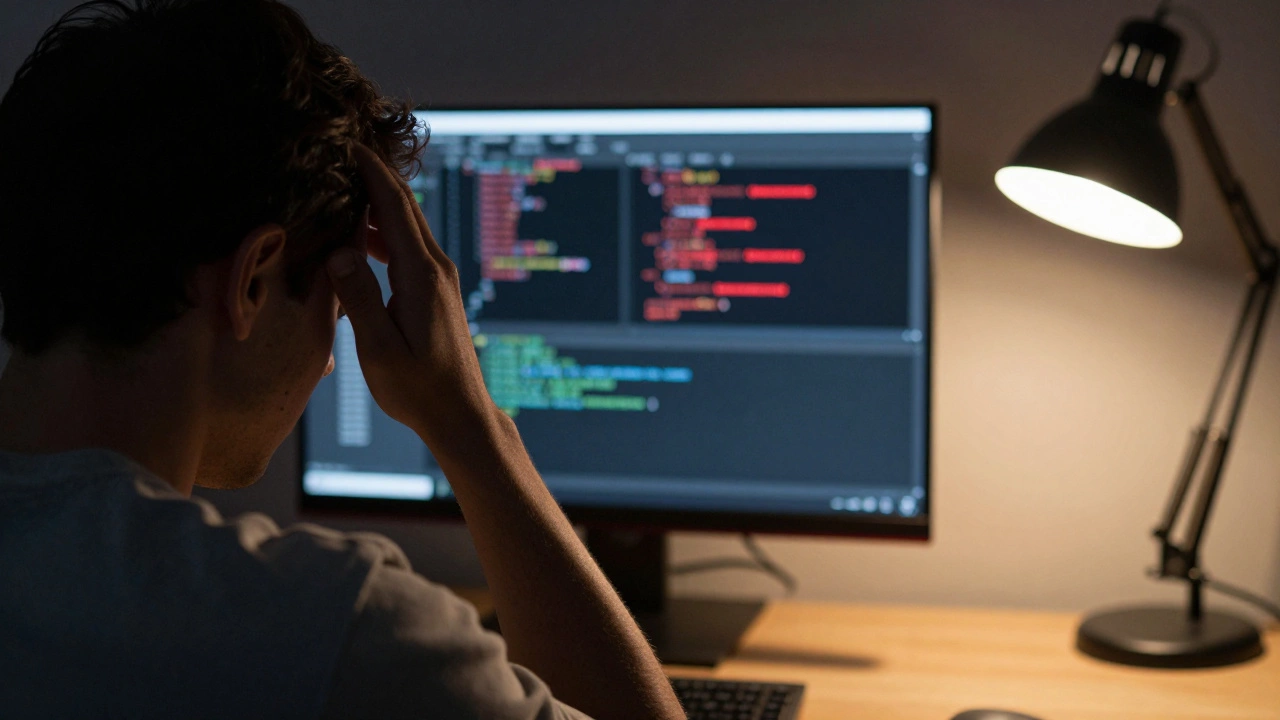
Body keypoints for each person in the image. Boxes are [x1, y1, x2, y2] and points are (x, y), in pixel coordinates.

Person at [0, 1, 684, 718]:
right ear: (255, 280)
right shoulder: (337, 636)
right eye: (335, 300)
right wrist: (472, 427)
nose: (329, 364)